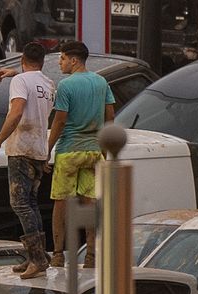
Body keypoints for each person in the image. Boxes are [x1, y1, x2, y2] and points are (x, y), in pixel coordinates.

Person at [47, 39, 115, 269]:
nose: (60, 62)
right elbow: (110, 116)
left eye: (62, 58)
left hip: (69, 151)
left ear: (74, 60)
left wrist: (46, 148)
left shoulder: (66, 86)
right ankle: (91, 256)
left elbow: (60, 119)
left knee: (61, 203)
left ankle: (57, 253)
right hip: (94, 151)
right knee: (90, 203)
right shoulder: (101, 82)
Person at [0, 42, 55, 279]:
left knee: (20, 204)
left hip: (21, 148)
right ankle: (39, 255)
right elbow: (32, 81)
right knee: (32, 203)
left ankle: (36, 259)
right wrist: (14, 73)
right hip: (39, 149)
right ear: (43, 61)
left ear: (21, 59)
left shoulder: (21, 82)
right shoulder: (48, 83)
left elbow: (16, 112)